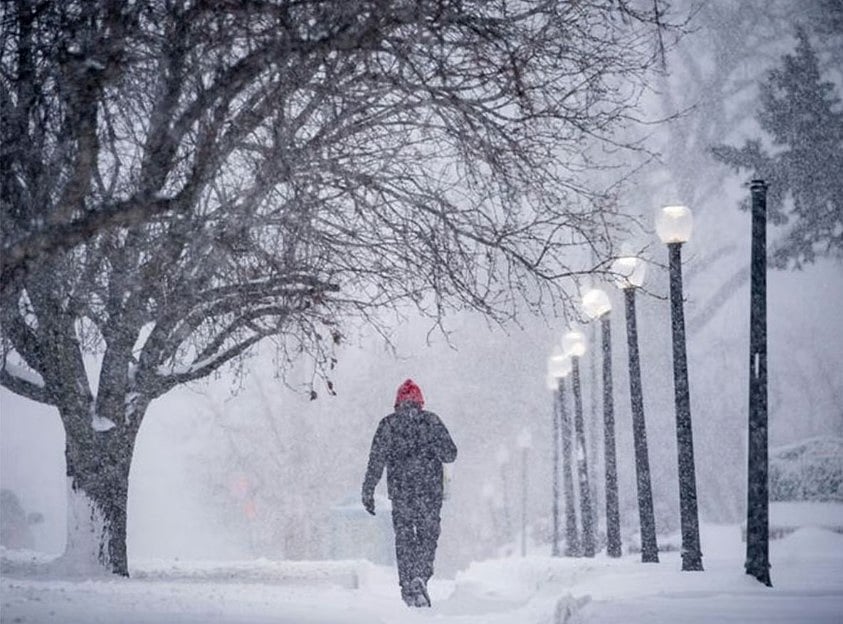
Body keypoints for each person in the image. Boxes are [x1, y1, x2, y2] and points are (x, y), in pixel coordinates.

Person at [361, 378, 458, 607]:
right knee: (427, 537)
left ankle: (408, 585)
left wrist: (368, 490)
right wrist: (431, 446)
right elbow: (450, 454)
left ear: (397, 403)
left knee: (404, 539)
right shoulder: (431, 422)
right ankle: (420, 577)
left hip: (402, 492)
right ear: (420, 402)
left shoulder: (388, 425)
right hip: (429, 493)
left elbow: (376, 460)